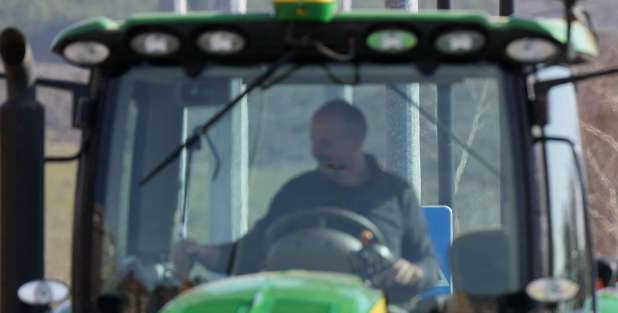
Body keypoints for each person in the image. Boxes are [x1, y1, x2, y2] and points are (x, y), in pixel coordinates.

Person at [173, 99, 441, 295]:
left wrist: (413, 272)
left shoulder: (395, 194)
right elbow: (252, 253)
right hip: (297, 310)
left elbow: (428, 264)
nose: (317, 152)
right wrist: (202, 253)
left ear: (356, 139)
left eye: (326, 143)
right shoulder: (295, 194)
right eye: (314, 142)